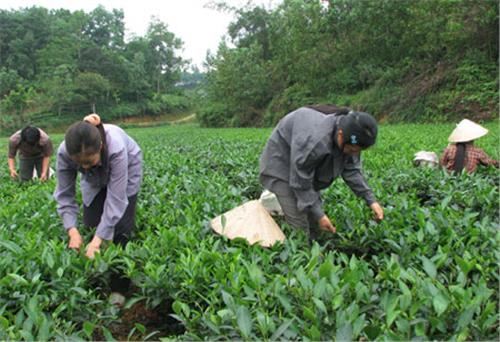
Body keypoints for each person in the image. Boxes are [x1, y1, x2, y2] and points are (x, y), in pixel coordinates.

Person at [53, 113, 142, 306]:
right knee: (92, 224)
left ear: (100, 147)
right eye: (79, 164)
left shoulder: (116, 147)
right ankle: (99, 274)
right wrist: (72, 230)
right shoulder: (64, 152)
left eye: (89, 162)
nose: (84, 168)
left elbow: (116, 199)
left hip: (127, 169)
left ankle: (119, 287)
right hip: (95, 179)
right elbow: (64, 194)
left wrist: (98, 240)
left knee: (119, 229)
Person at [259, 106, 384, 240]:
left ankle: (314, 246)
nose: (354, 154)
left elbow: (352, 170)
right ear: (340, 135)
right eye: (352, 150)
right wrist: (320, 215)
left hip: (304, 163)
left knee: (314, 222)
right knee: (300, 225)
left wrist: (371, 200)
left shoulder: (351, 138)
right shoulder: (316, 141)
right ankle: (301, 253)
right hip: (281, 164)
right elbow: (300, 182)